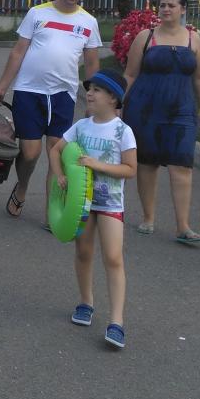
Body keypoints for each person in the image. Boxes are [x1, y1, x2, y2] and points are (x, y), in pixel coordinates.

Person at [0, 0, 102, 221]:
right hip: (29, 91)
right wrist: (1, 87)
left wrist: (94, 100)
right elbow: (18, 51)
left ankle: (52, 212)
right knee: (30, 153)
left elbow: (92, 63)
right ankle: (22, 187)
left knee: (57, 152)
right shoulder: (37, 13)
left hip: (63, 95)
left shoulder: (88, 22)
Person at [48, 68, 137, 349]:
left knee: (113, 258)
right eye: (89, 89)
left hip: (110, 203)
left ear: (113, 98)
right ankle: (86, 302)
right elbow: (55, 150)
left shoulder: (123, 131)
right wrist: (59, 175)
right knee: (83, 252)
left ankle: (117, 322)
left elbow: (130, 169)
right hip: (82, 203)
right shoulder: (81, 126)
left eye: (97, 90)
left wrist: (98, 165)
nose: (89, 93)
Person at [121, 0, 200, 244]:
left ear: (183, 9)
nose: (166, 9)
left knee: (182, 164)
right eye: (162, 5)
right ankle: (148, 218)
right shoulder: (146, 37)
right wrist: (117, 104)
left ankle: (183, 226)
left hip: (182, 110)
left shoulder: (194, 39)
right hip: (145, 109)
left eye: (171, 5)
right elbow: (130, 74)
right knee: (147, 163)